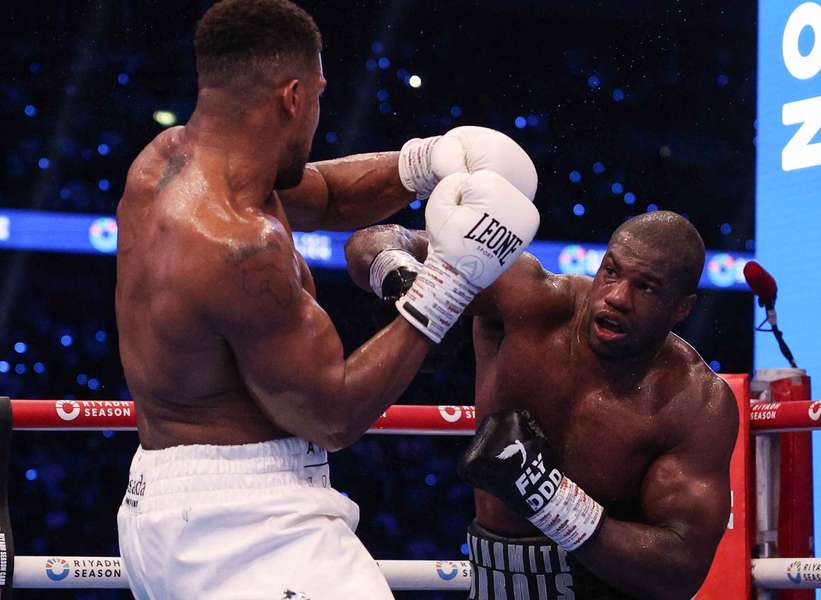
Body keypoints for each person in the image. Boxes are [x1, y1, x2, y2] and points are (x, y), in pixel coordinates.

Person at [113, 1, 539, 598]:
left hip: (173, 505)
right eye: (318, 94)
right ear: (293, 96)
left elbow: (331, 194)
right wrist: (451, 279)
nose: (318, 109)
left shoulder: (164, 163)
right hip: (243, 526)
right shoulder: (237, 244)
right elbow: (332, 415)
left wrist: (426, 161)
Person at [345, 210, 739, 599]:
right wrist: (415, 293)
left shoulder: (693, 401)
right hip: (494, 583)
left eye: (647, 287)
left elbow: (681, 568)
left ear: (682, 307)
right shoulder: (529, 299)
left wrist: (550, 498)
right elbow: (374, 241)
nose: (617, 297)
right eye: (612, 271)